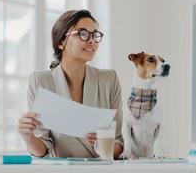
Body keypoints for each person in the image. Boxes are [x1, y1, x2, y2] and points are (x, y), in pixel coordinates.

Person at [18, 10, 124, 158]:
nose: (92, 40)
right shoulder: (40, 81)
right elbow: (43, 149)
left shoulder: (109, 80)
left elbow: (119, 144)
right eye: (83, 33)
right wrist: (28, 136)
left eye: (95, 34)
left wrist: (104, 144)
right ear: (61, 42)